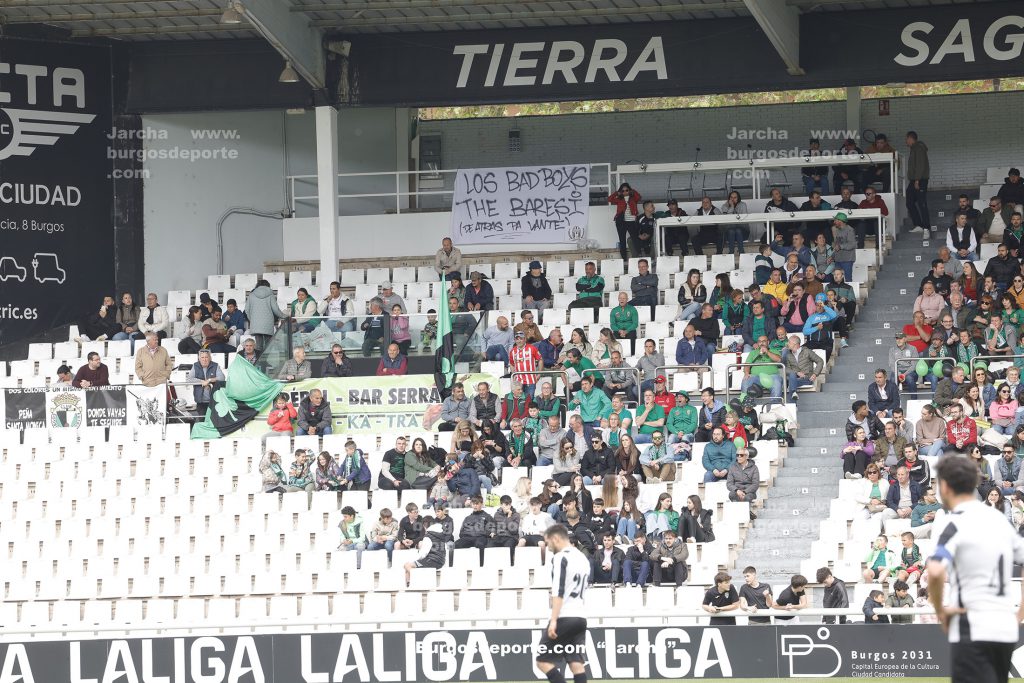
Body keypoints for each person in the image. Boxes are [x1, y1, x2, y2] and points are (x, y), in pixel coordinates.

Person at [927, 456, 1024, 682]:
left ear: (944, 486)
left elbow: (935, 569)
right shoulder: (999, 520)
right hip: (1004, 626)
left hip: (971, 624)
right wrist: (1021, 611)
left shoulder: (954, 522)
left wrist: (941, 611)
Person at [536, 524, 591, 683]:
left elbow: (558, 590)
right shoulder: (582, 557)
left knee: (542, 661)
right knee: (576, 664)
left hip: (565, 616)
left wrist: (553, 620)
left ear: (556, 538)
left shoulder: (561, 557)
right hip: (580, 616)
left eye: (548, 542)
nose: (548, 547)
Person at [244, 279, 287, 352]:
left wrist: (252, 320)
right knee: (268, 346)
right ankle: (266, 359)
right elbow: (276, 309)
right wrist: (284, 316)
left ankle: (259, 359)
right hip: (268, 323)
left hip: (256, 324)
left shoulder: (251, 295)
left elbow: (247, 310)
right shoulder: (270, 295)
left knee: (258, 346)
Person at [781, 335, 823, 402]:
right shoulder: (788, 354)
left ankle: (792, 401)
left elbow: (820, 361)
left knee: (790, 382)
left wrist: (815, 374)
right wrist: (797, 373)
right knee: (792, 376)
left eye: (789, 342)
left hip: (806, 378)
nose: (787, 344)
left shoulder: (807, 351)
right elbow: (787, 368)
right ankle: (793, 393)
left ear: (795, 344)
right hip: (793, 377)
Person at [905, 131, 931, 233]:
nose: (906, 141)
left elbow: (920, 165)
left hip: (919, 180)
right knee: (909, 202)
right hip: (914, 180)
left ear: (911, 138)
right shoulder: (914, 149)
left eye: (906, 139)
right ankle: (919, 225)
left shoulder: (919, 148)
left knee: (921, 203)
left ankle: (926, 227)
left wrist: (917, 180)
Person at [608, 182, 641, 260]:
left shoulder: (633, 198)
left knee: (635, 239)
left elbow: (639, 197)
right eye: (623, 191)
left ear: (629, 190)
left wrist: (632, 190)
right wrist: (616, 193)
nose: (625, 192)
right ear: (621, 192)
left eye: (627, 190)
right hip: (621, 222)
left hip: (631, 221)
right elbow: (609, 199)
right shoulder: (619, 199)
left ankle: (638, 255)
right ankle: (624, 258)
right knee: (622, 240)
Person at [188, 349, 224, 415]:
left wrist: (209, 380)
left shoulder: (215, 365)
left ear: (210, 358)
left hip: (214, 400)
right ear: (199, 358)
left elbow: (222, 378)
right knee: (202, 419)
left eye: (206, 357)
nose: (204, 359)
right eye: (202, 357)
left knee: (213, 419)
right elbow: (189, 379)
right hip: (200, 401)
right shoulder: (195, 365)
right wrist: (201, 381)